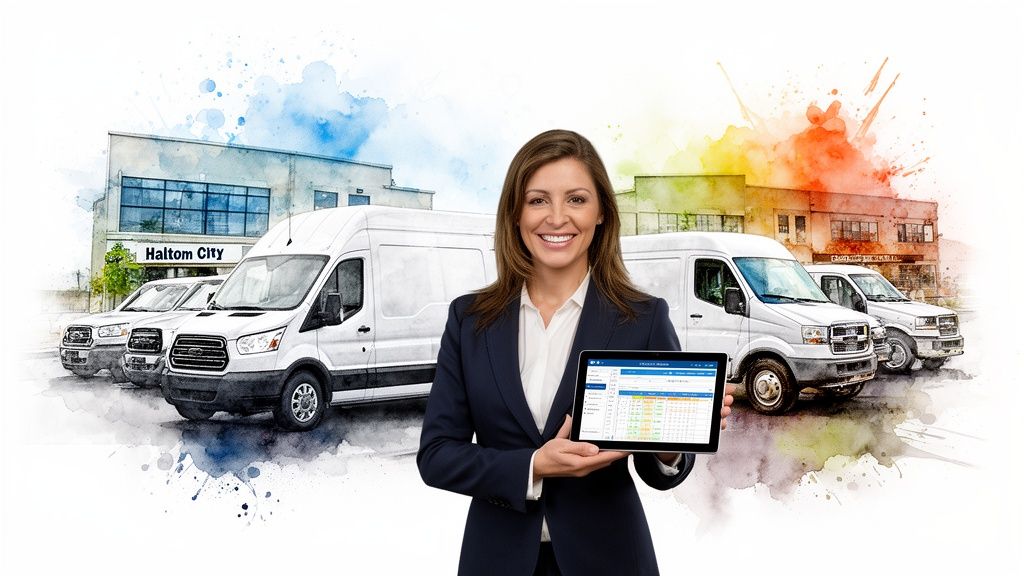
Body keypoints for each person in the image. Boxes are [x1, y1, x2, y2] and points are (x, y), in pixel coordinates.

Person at [417, 129, 734, 576]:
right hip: (497, 559)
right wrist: (533, 465)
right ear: (515, 213)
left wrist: (671, 442)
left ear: (602, 212)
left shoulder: (641, 319)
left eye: (577, 199)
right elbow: (437, 456)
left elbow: (660, 469)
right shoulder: (470, 320)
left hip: (611, 559)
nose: (557, 218)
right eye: (538, 200)